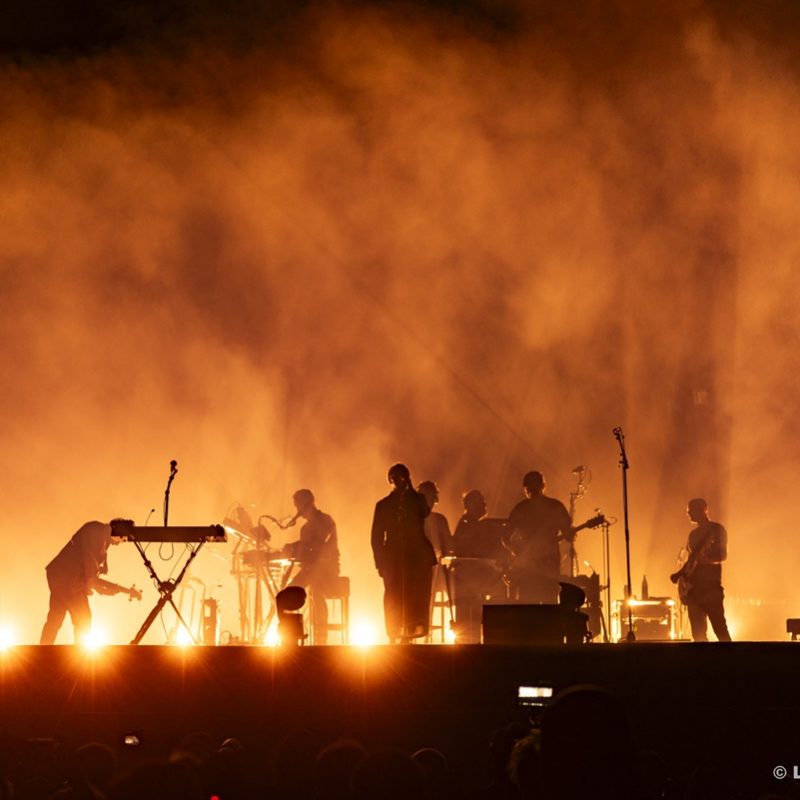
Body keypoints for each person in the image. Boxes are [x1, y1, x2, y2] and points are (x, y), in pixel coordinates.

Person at [40, 518, 140, 645]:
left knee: (56, 617)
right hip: (68, 579)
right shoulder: (96, 531)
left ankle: (43, 650)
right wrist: (96, 586)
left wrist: (120, 590)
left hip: (62, 577)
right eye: (123, 539)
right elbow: (90, 569)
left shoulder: (102, 538)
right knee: (83, 618)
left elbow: (92, 577)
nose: (121, 543)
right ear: (120, 532)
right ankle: (78, 655)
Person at [371, 463, 436, 642]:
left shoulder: (417, 500)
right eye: (394, 478)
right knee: (393, 595)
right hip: (393, 557)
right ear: (389, 481)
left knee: (417, 595)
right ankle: (395, 632)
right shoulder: (383, 505)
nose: (398, 482)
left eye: (402, 477)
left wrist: (412, 492)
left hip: (417, 556)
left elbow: (425, 511)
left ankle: (413, 632)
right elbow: (376, 537)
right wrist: (380, 562)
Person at [504, 471, 574, 603]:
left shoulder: (523, 509)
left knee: (538, 603)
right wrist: (518, 552)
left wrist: (517, 552)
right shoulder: (554, 507)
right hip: (536, 566)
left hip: (544, 565)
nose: (531, 491)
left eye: (533, 487)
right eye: (529, 488)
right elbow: (505, 537)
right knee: (541, 602)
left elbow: (504, 537)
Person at [283, 489, 340, 644]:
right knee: (290, 590)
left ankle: (317, 636)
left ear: (305, 504)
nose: (297, 510)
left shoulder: (325, 520)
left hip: (327, 569)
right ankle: (293, 636)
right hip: (312, 570)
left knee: (293, 591)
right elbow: (306, 547)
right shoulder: (305, 528)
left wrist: (295, 548)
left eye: (297, 505)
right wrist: (291, 548)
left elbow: (319, 542)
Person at [672, 497, 731, 642]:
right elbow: (691, 559)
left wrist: (705, 558)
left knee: (720, 630)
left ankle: (731, 661)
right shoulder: (693, 535)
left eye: (690, 510)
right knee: (698, 634)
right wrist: (680, 574)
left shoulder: (717, 530)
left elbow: (722, 555)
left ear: (703, 509)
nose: (688, 513)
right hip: (694, 590)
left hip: (711, 589)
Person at [451, 489, 506, 643]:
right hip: (469, 579)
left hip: (473, 577)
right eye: (481, 501)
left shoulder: (469, 523)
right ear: (470, 505)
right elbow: (474, 551)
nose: (485, 505)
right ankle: (495, 634)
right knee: (503, 589)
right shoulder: (468, 524)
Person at [416, 481, 452, 559]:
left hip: (436, 564)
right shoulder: (411, 519)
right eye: (425, 498)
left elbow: (448, 545)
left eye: (431, 497)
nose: (428, 501)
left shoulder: (440, 520)